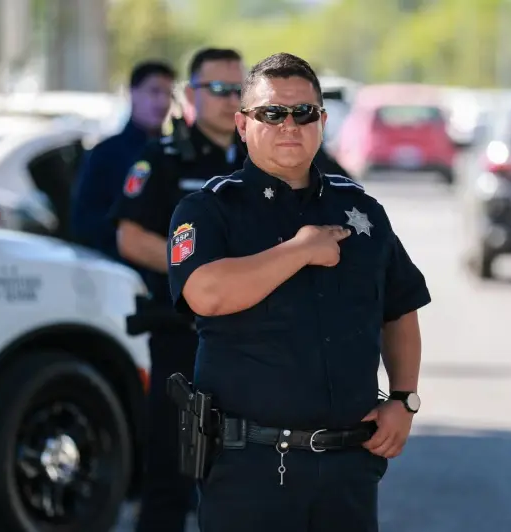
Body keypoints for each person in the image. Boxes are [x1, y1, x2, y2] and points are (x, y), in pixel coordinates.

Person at [166, 52, 431, 532]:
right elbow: (207, 293)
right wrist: (301, 249)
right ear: (243, 125)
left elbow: (400, 309)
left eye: (303, 112)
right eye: (272, 113)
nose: (289, 123)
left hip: (347, 464)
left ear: (323, 121)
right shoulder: (210, 209)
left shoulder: (361, 210)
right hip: (250, 466)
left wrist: (404, 399)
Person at [109, 47, 245, 532]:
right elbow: (130, 237)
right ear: (190, 94)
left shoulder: (266, 156)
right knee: (172, 470)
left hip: (253, 340)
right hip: (182, 337)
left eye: (238, 89)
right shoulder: (162, 158)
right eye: (218, 89)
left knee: (245, 477)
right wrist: (202, 275)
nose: (231, 100)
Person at [70, 60, 175, 259]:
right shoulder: (107, 152)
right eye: (154, 91)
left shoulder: (174, 150)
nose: (162, 102)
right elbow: (84, 221)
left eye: (168, 94)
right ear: (133, 93)